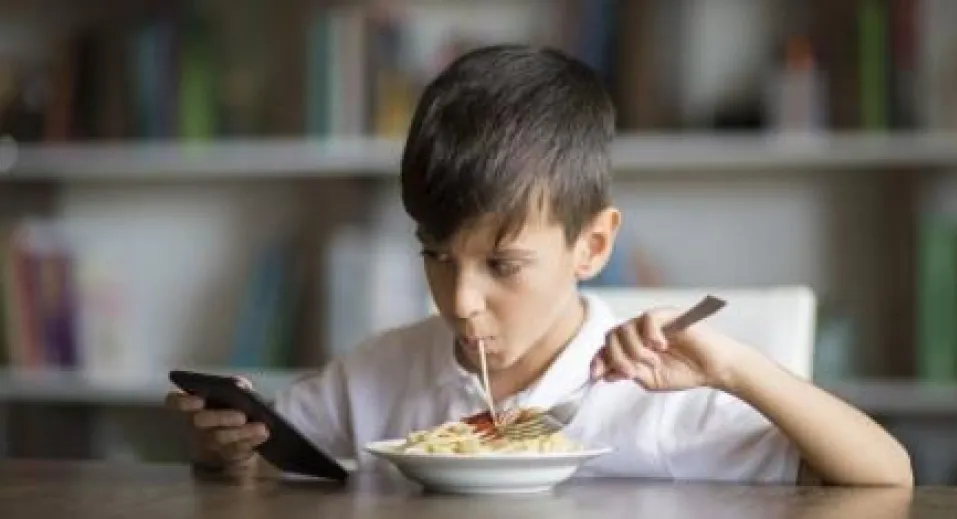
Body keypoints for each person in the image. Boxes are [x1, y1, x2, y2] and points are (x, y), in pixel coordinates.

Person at [165, 44, 913, 486]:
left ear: (592, 245)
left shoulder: (653, 394)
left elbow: (887, 475)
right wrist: (226, 450)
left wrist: (736, 369)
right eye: (436, 255)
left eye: (503, 264)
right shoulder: (382, 374)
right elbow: (273, 459)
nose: (461, 300)